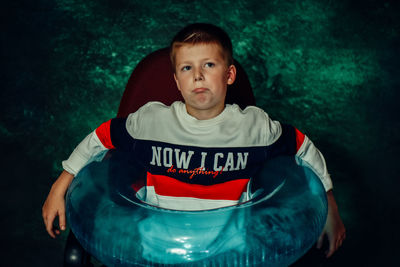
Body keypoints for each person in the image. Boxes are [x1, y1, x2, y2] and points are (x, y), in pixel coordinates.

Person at [42, 23, 345, 258]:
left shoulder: (254, 126)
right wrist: (60, 186)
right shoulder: (151, 121)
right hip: (158, 251)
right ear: (176, 80)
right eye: (187, 68)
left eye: (208, 65)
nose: (198, 76)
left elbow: (303, 147)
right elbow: (102, 136)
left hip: (230, 253)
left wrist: (329, 206)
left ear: (229, 74)